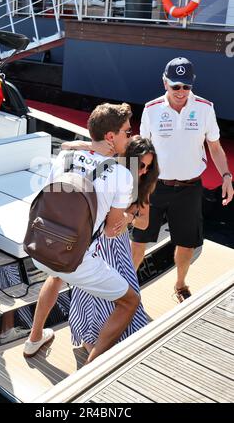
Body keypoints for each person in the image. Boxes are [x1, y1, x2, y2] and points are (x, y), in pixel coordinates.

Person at [23, 103, 141, 363]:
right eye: (126, 131)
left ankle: (33, 339)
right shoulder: (122, 173)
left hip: (41, 246)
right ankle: (91, 369)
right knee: (129, 301)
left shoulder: (64, 156)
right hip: (74, 259)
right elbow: (111, 231)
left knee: (54, 276)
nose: (130, 137)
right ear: (111, 137)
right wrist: (129, 216)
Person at [131, 57, 234, 303]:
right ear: (165, 82)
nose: (181, 92)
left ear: (192, 84)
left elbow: (215, 147)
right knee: (139, 241)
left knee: (187, 244)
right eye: (175, 86)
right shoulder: (151, 109)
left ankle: (180, 284)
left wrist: (227, 177)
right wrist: (136, 188)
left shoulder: (205, 108)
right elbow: (141, 149)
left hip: (189, 188)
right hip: (154, 186)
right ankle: (128, 289)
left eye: (186, 86)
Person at [66, 135, 159, 353]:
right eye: (142, 165)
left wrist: (129, 218)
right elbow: (66, 146)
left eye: (149, 167)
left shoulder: (143, 185)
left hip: (118, 247)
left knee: (126, 293)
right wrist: (92, 145)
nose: (145, 171)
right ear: (130, 160)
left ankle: (119, 339)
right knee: (89, 295)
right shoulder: (111, 170)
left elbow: (144, 223)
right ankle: (92, 340)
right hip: (95, 243)